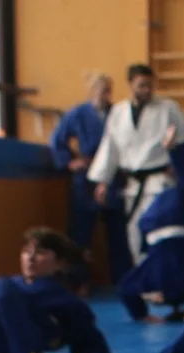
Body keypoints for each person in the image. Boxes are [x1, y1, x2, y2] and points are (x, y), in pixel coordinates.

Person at [88, 64, 184, 269]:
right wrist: (103, 181)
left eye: (150, 85)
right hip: (132, 185)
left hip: (160, 182)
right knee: (134, 234)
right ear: (130, 84)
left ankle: (160, 278)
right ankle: (144, 279)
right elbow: (110, 146)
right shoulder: (118, 112)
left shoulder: (168, 108)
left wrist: (178, 165)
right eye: (141, 85)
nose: (147, 90)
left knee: (159, 233)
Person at [117, 125, 184, 323]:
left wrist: (173, 148)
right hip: (165, 249)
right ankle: (144, 314)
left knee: (128, 285)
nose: (170, 170)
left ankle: (141, 314)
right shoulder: (173, 194)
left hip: (166, 248)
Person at [49, 73, 128, 286]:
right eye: (100, 90)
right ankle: (78, 281)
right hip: (86, 177)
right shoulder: (78, 113)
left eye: (107, 90)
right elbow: (57, 140)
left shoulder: (118, 113)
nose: (104, 94)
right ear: (91, 91)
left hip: (114, 176)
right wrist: (69, 162)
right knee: (80, 233)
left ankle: (123, 282)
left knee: (119, 234)